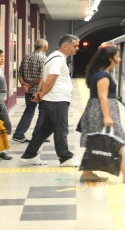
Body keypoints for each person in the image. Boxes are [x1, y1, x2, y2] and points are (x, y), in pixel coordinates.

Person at [78, 44, 125, 183]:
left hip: (97, 110)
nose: (120, 59)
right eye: (117, 56)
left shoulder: (98, 73)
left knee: (98, 141)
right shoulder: (103, 75)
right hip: (101, 111)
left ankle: (87, 174)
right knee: (116, 140)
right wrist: (107, 116)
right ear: (109, 58)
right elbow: (103, 97)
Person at [20, 34, 81, 167]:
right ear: (66, 46)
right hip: (56, 101)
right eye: (75, 46)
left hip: (53, 100)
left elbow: (43, 78)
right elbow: (49, 81)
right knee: (61, 130)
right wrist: (41, 94)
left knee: (44, 130)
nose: (77, 48)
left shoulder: (53, 57)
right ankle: (65, 158)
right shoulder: (57, 60)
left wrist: (39, 93)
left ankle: (29, 155)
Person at [13, 39, 49, 143]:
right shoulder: (44, 59)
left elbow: (20, 74)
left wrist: (24, 84)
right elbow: (41, 77)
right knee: (43, 112)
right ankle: (37, 135)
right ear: (45, 47)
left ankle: (19, 134)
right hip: (39, 91)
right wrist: (29, 85)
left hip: (28, 91)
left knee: (29, 111)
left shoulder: (26, 57)